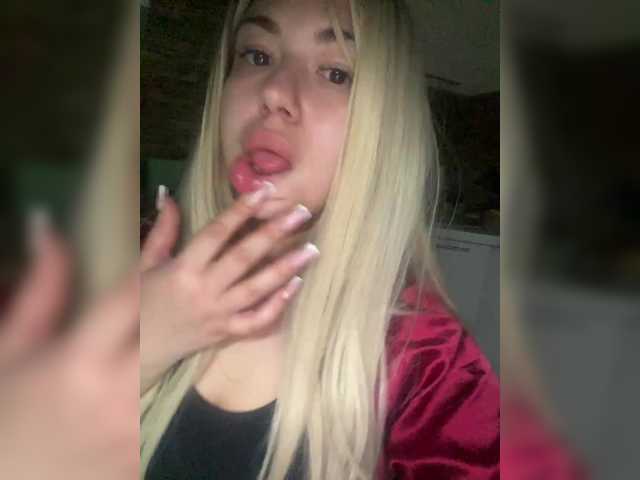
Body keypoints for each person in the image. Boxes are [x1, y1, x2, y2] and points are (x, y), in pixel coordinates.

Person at [140, 0, 499, 479]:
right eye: (257, 55)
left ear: (384, 127)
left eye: (335, 73)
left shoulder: (432, 364)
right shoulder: (140, 261)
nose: (274, 93)